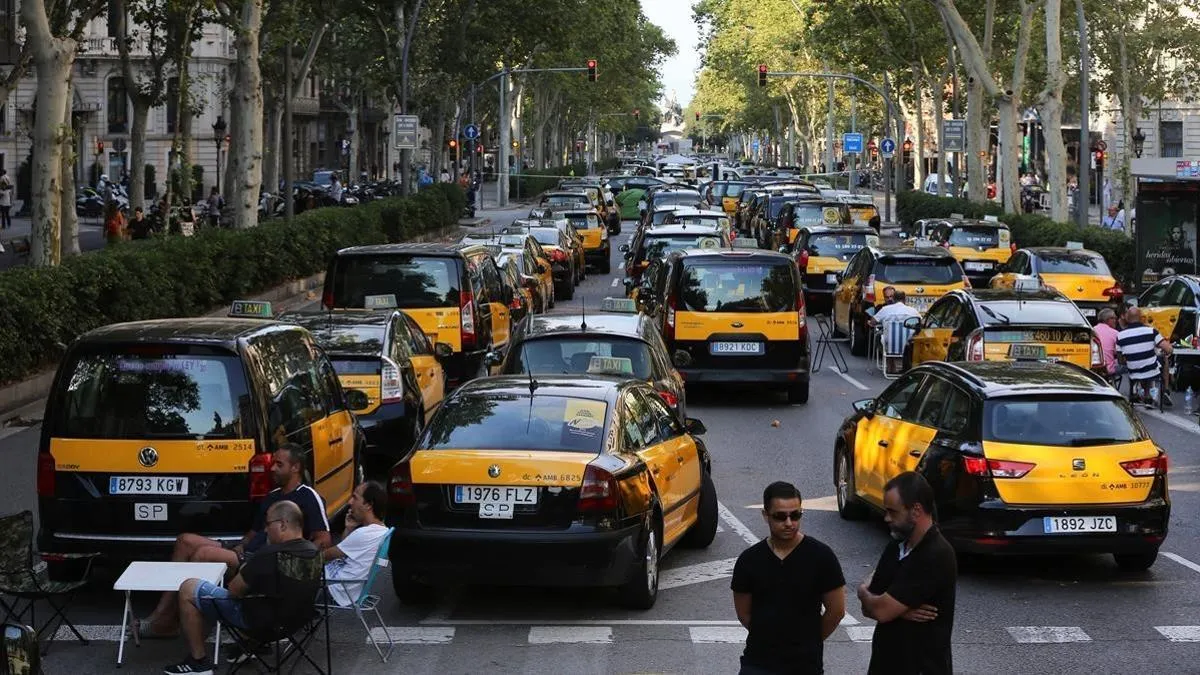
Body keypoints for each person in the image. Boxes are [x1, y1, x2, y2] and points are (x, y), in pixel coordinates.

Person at [136, 444, 330, 638]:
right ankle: (163, 616)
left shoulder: (308, 496)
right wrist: (240, 545)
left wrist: (294, 560)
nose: (272, 468)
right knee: (185, 541)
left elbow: (323, 539)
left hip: (265, 560)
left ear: (295, 467)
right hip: (246, 551)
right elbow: (254, 532)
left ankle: (183, 619)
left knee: (203, 554)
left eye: (279, 464)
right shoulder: (272, 496)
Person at [163, 500, 319, 675]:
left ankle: (199, 662)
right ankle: (248, 647)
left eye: (267, 524)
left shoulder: (270, 554)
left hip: (261, 625)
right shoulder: (314, 551)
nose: (265, 530)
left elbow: (233, 591)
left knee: (188, 588)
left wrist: (245, 571)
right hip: (294, 624)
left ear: (282, 525)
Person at [731, 482, 845, 675]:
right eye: (780, 516)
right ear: (765, 516)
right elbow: (744, 614)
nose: (789, 522)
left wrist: (808, 641)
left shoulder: (821, 556)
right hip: (758, 664)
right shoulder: (749, 560)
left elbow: (836, 611)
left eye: (796, 515)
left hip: (805, 666)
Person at [858, 472, 957, 675]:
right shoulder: (896, 547)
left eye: (893, 512)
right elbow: (868, 610)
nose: (886, 518)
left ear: (916, 510)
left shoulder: (935, 554)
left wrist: (871, 596)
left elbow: (880, 611)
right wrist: (899, 609)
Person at [323, 481, 390, 607]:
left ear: (368, 505)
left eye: (355, 498)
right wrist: (348, 529)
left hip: (332, 590)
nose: (350, 502)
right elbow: (344, 551)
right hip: (338, 586)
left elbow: (324, 556)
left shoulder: (364, 534)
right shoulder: (381, 531)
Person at [1117, 306, 1173, 406]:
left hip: (1133, 372)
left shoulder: (1120, 336)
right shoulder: (1151, 331)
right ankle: (1165, 390)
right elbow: (1168, 349)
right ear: (1141, 317)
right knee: (1163, 359)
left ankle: (1143, 394)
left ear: (1127, 318)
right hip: (1151, 370)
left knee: (1142, 362)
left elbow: (1120, 360)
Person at [1094, 307, 1121, 376]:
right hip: (1108, 369)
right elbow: (1118, 352)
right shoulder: (1115, 333)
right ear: (1108, 319)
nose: (1116, 320)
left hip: (1093, 369)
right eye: (1114, 318)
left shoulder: (1092, 330)